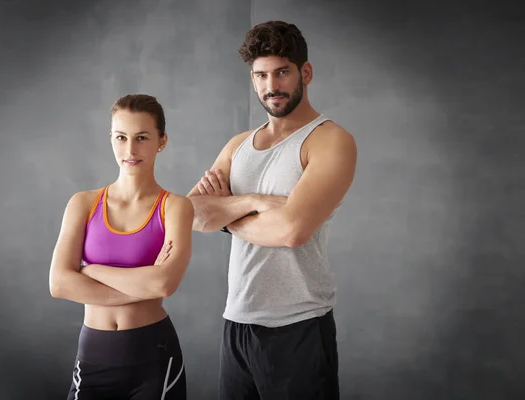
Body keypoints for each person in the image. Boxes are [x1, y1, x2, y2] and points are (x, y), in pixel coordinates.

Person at [187, 21, 357, 399]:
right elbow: (190, 214)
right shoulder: (238, 145)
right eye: (261, 75)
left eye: (282, 72)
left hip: (298, 326)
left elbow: (291, 231)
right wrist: (253, 202)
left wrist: (226, 214)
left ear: (305, 73)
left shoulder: (330, 141)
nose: (271, 86)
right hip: (237, 322)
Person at [49, 94, 193, 399]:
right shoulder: (83, 203)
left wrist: (92, 270)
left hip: (154, 358)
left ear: (161, 141)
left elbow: (165, 283)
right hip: (94, 356)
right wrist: (144, 285)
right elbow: (59, 284)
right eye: (121, 137)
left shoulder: (176, 207)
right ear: (111, 139)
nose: (130, 149)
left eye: (142, 137)